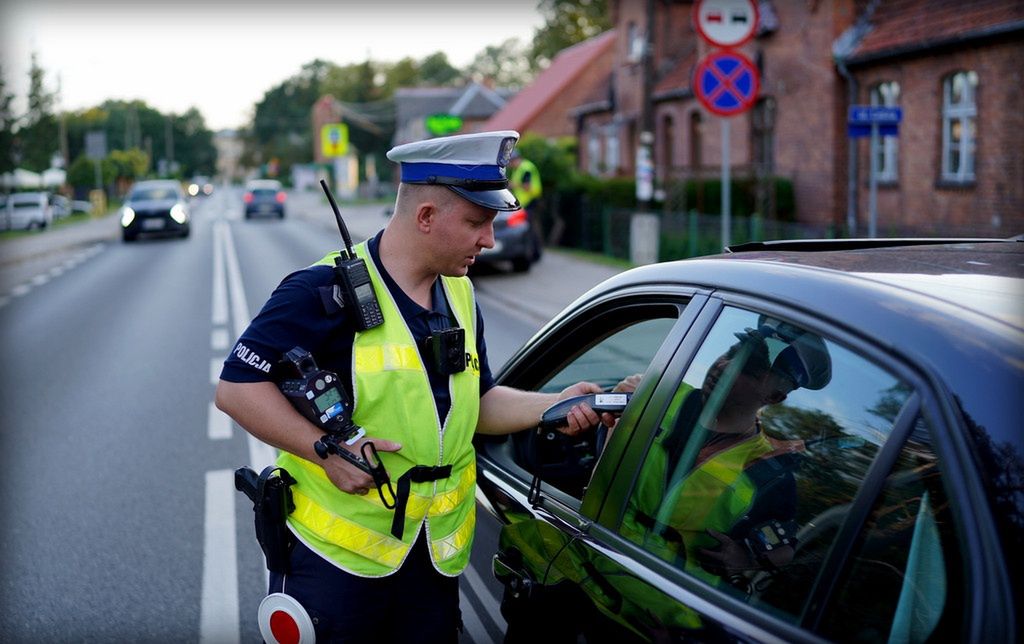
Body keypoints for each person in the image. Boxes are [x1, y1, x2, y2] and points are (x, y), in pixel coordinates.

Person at [215, 130, 603, 642]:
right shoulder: (319, 291)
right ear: (425, 216)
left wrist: (554, 404)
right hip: (337, 565)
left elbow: (477, 403)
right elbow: (236, 389)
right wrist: (326, 450)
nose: (488, 239)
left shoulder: (460, 293)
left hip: (431, 560)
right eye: (476, 222)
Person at [619, 320, 832, 586]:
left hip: (663, 608)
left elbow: (785, 549)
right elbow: (579, 416)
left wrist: (746, 558)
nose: (723, 367)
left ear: (775, 397)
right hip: (583, 569)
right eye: (731, 352)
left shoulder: (770, 474)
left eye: (749, 368)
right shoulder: (656, 394)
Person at [507, 150, 543, 260]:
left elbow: (527, 186)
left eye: (511, 162)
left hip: (530, 202)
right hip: (527, 203)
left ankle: (535, 253)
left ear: (516, 159)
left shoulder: (525, 168)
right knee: (531, 228)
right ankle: (535, 253)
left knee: (529, 228)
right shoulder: (520, 169)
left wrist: (513, 185)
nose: (510, 165)